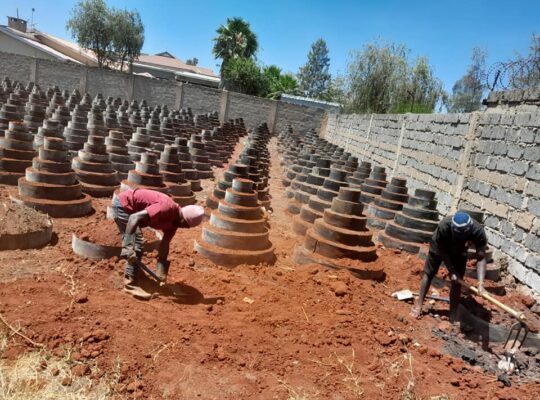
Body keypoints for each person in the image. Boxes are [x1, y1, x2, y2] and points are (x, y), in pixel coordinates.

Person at [111, 188, 204, 286]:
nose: (184, 228)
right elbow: (134, 217)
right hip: (124, 205)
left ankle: (134, 271)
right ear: (183, 220)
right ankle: (131, 284)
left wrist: (161, 271)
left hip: (133, 212)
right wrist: (128, 245)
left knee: (134, 243)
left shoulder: (174, 223)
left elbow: (165, 243)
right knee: (136, 243)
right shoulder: (166, 207)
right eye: (185, 226)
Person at [411, 211, 488, 322]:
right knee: (428, 273)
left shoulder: (478, 231)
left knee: (457, 281)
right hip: (439, 247)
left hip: (460, 251)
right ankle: (418, 306)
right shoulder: (444, 226)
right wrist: (451, 270)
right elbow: (442, 250)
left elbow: (481, 257)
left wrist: (481, 284)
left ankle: (453, 315)